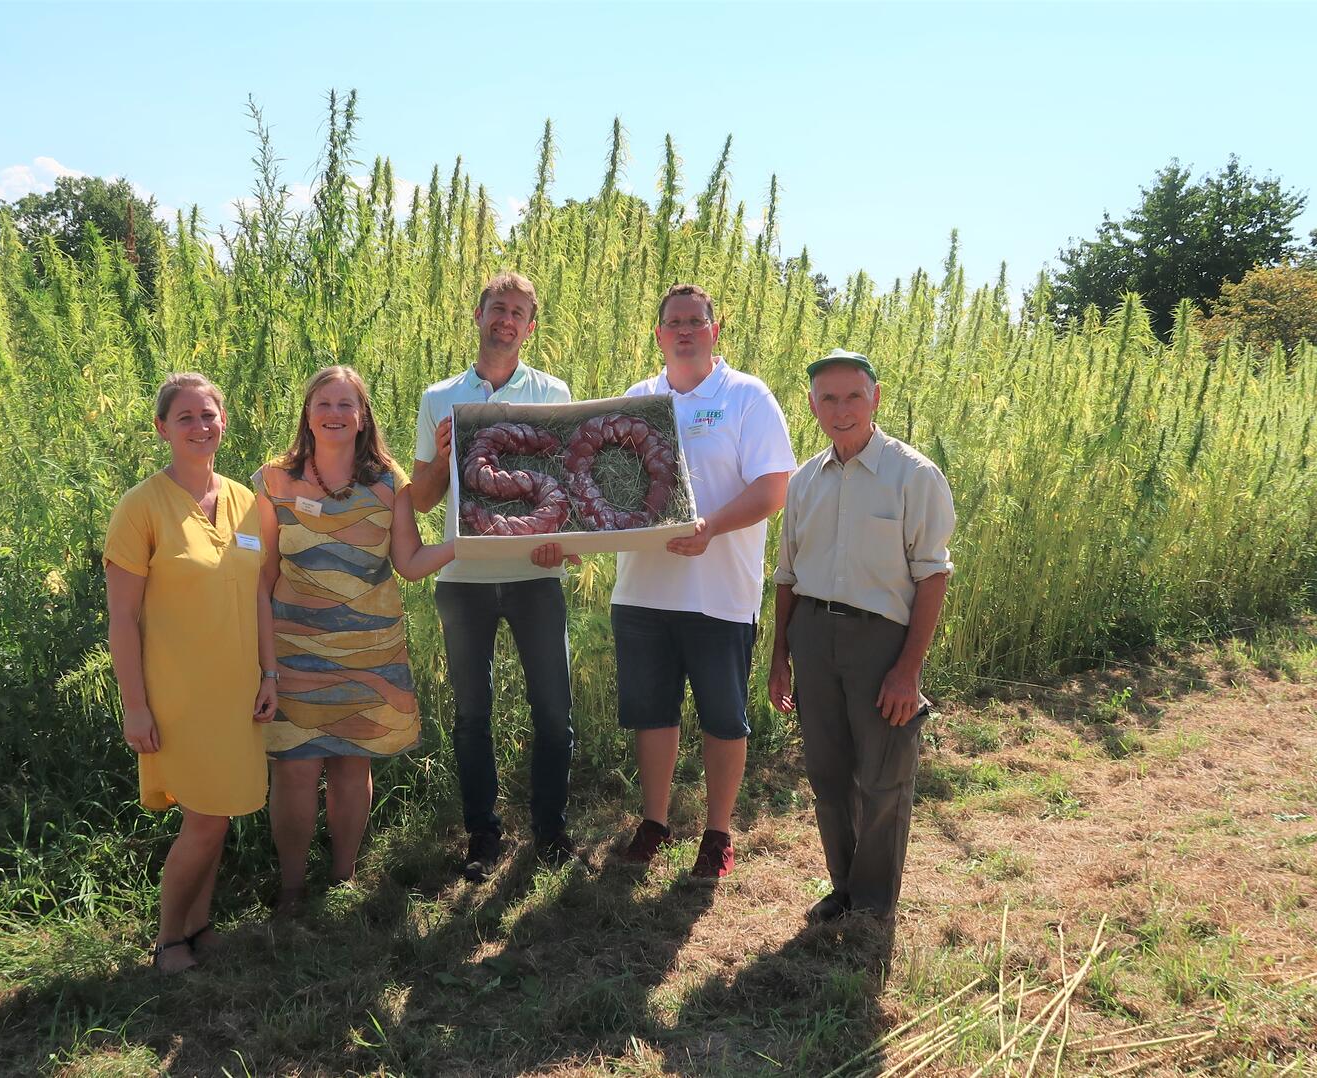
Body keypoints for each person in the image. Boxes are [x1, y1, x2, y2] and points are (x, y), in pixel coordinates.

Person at [606, 283, 796, 880]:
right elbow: (608, 485)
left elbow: (773, 490)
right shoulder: (637, 400)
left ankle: (717, 835)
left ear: (716, 330)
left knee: (723, 716)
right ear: (659, 335)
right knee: (653, 713)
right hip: (641, 592)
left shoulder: (746, 398)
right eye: (674, 322)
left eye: (696, 320)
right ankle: (655, 823)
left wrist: (710, 528)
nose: (685, 330)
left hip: (720, 595)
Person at [255, 365, 455, 914]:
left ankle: (343, 879)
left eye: (347, 405)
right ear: (308, 413)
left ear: (363, 416)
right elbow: (262, 576)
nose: (336, 414)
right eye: (325, 403)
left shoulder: (389, 481)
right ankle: (292, 888)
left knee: (351, 766)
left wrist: (468, 543)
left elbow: (411, 564)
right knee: (294, 770)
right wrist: (266, 667)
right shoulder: (273, 481)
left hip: (370, 652)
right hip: (293, 652)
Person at [767, 349, 954, 924]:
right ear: (812, 405)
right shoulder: (803, 482)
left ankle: (874, 906)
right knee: (827, 772)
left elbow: (932, 574)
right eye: (828, 398)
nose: (841, 409)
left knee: (883, 776)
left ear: (875, 397)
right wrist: (780, 659)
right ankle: (843, 887)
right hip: (812, 636)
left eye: (853, 396)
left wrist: (908, 671)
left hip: (881, 643)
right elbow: (788, 576)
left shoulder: (913, 475)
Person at [409, 271, 579, 880]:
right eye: (497, 308)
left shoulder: (555, 394)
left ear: (531, 327)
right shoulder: (440, 398)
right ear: (477, 315)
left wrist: (562, 545)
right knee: (471, 712)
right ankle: (482, 835)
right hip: (465, 578)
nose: (506, 320)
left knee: (553, 709)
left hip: (536, 577)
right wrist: (444, 451)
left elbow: (568, 485)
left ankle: (551, 830)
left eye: (518, 312)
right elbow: (424, 499)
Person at [104, 372, 271, 974]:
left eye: (209, 415)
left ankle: (199, 926)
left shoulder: (247, 503)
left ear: (224, 421)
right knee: (203, 819)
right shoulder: (141, 507)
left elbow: (259, 598)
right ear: (162, 429)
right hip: (180, 696)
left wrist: (269, 675)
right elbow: (122, 619)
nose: (200, 427)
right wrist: (136, 705)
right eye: (186, 418)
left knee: (218, 813)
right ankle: (169, 940)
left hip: (238, 691)